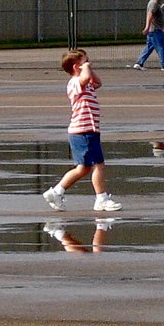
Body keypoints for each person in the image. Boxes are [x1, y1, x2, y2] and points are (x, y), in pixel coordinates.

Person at [44, 49, 123, 212]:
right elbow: (85, 77)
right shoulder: (75, 82)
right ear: (76, 67)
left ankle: (56, 192)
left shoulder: (86, 82)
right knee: (99, 165)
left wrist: (88, 68)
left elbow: (98, 83)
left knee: (83, 168)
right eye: (85, 62)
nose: (89, 64)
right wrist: (85, 68)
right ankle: (101, 198)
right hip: (83, 131)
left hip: (87, 130)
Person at [130, 0, 164, 70]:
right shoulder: (154, 3)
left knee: (149, 47)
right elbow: (150, 15)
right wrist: (147, 27)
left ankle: (139, 63)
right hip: (155, 29)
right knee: (161, 47)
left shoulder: (155, 3)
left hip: (154, 29)